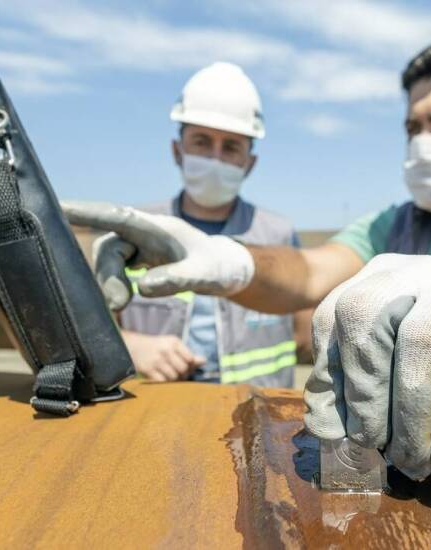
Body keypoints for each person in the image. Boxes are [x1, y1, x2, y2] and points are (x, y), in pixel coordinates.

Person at [65, 38, 431, 480]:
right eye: (413, 127)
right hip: (410, 477)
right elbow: (311, 272)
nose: (425, 142)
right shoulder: (389, 226)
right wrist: (230, 260)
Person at [106, 62, 310, 387]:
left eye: (231, 146)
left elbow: (305, 335)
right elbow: (90, 322)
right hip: (152, 411)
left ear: (250, 162)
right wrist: (128, 345)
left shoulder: (279, 234)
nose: (215, 158)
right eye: (201, 141)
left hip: (255, 416)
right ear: (177, 150)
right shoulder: (136, 229)